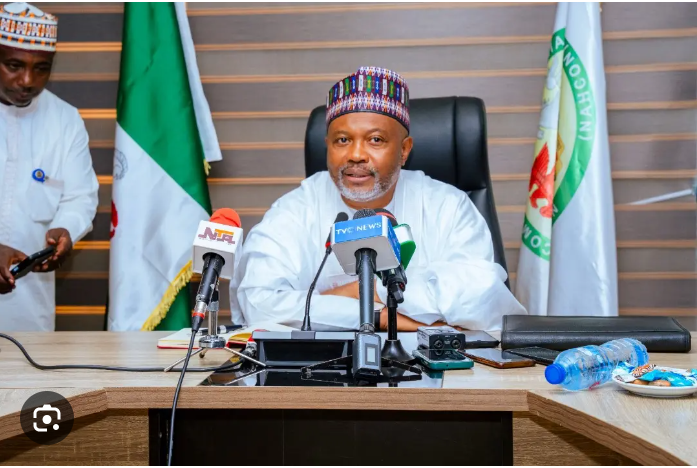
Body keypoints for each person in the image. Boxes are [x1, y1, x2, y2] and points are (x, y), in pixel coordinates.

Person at [231, 67, 525, 331]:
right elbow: (259, 304)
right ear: (327, 146)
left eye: (375, 140)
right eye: (342, 140)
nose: (356, 155)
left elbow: (482, 296)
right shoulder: (294, 210)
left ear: (404, 150)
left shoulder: (449, 206)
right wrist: (382, 317)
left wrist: (366, 291)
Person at [0, 3, 99, 331]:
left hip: (29, 307)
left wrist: (66, 229)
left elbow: (80, 197)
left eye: (41, 68)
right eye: (13, 65)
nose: (27, 80)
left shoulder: (64, 120)